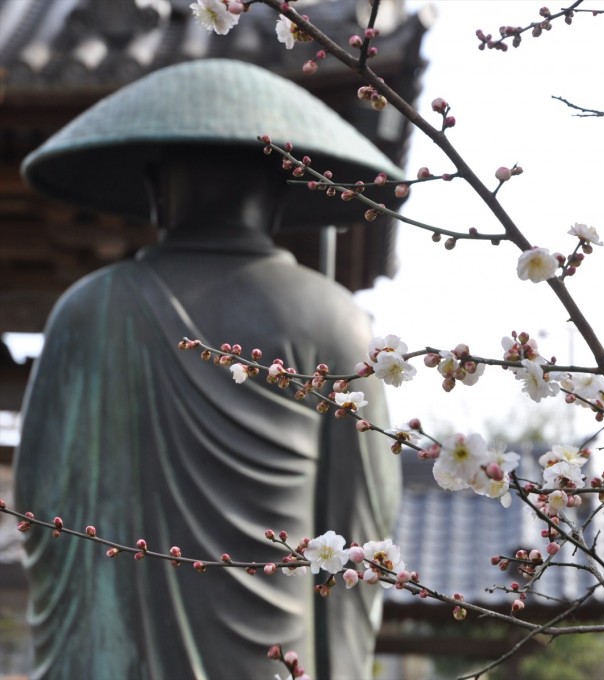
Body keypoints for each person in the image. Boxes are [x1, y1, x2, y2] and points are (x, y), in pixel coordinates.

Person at [15, 59, 402, 679]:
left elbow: (39, 501)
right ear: (280, 190)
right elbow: (360, 529)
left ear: (154, 187)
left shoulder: (89, 309)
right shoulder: (337, 323)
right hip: (276, 658)